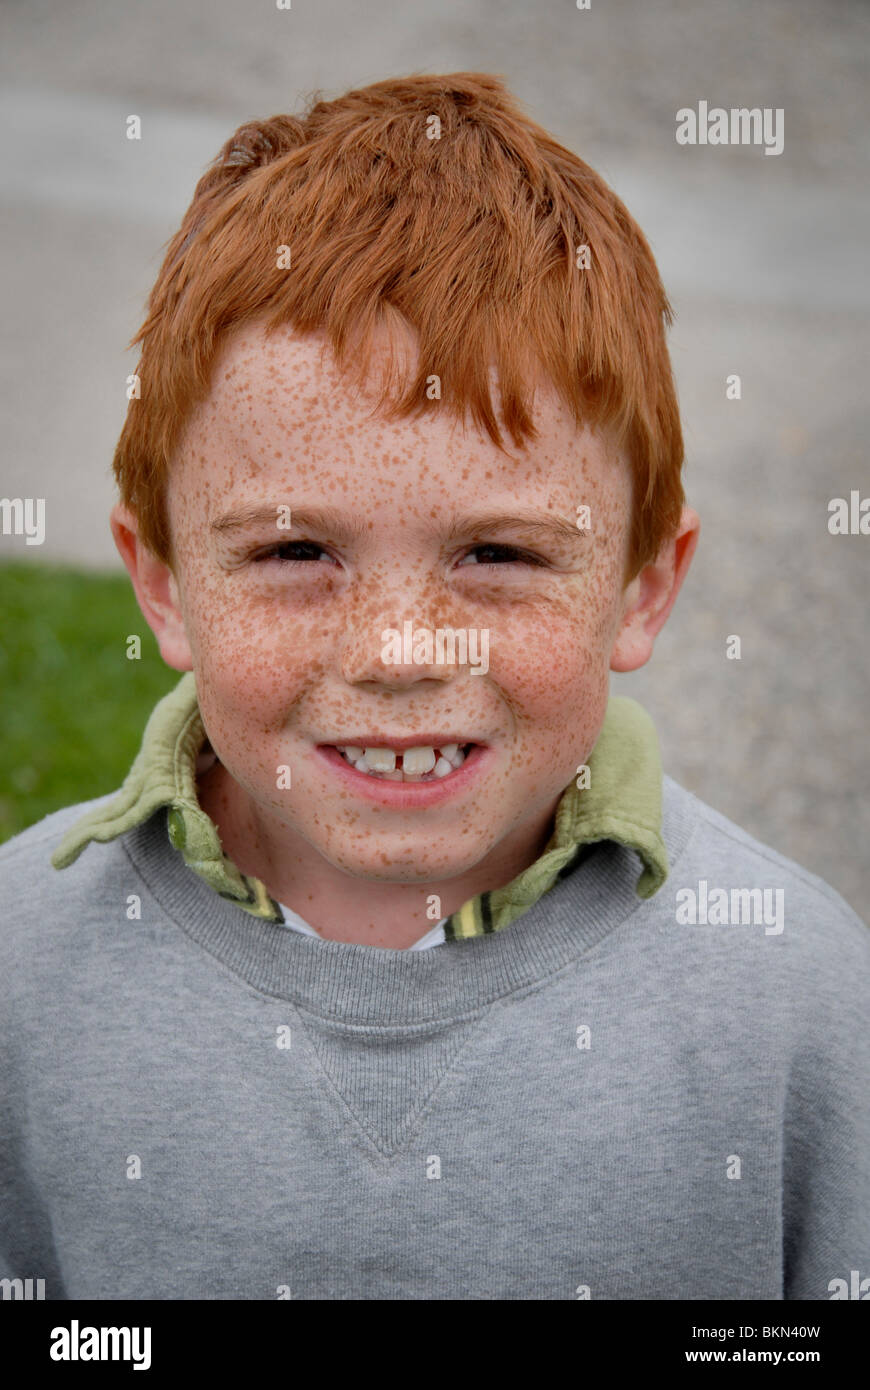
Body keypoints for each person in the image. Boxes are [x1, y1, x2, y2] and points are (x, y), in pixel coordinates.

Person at [1, 73, 867, 1301]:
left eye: (499, 555)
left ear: (641, 587)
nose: (402, 652)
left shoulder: (801, 999)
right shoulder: (22, 975)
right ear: (161, 585)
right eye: (296, 552)